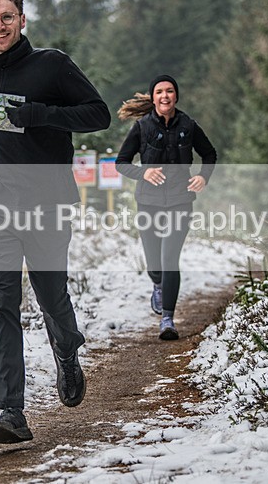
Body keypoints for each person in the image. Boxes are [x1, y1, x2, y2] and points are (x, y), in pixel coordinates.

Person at [0, 0, 110, 444]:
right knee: (1, 303)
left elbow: (98, 114)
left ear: (22, 19)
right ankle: (11, 412)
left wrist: (41, 115)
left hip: (47, 203)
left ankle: (67, 350)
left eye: (7, 17)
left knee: (51, 295)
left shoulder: (53, 65)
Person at [115, 75, 217, 340]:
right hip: (148, 202)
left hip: (180, 202)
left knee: (170, 259)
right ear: (153, 97)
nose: (165, 96)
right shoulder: (142, 127)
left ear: (176, 96)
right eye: (159, 91)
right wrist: (143, 174)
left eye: (169, 91)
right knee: (155, 264)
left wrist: (203, 176)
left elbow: (210, 154)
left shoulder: (188, 125)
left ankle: (168, 320)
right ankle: (158, 284)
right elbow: (121, 162)